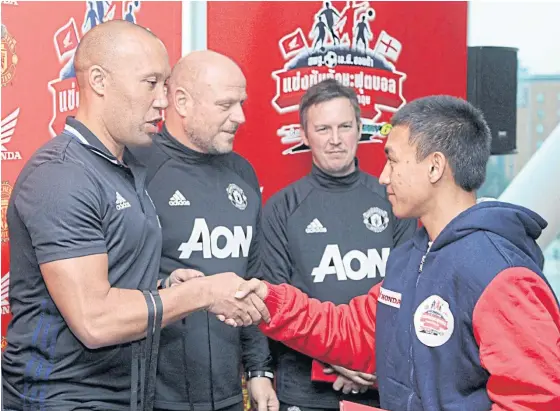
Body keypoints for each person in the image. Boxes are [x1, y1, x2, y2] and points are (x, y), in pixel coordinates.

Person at [1, 21, 269, 411]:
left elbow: (111, 280)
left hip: (127, 395)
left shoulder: (121, 169)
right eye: (151, 83)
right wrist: (202, 293)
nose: (163, 100)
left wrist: (164, 285)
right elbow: (95, 321)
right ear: (98, 80)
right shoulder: (61, 175)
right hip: (64, 399)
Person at [233, 95, 560, 411]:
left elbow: (536, 400)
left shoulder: (501, 274)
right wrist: (268, 300)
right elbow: (356, 332)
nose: (383, 176)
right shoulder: (411, 257)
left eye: (393, 160)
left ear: (434, 168)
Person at [130, 50, 279, 411]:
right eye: (226, 104)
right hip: (153, 397)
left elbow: (252, 279)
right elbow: (109, 289)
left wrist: (260, 370)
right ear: (181, 101)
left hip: (228, 395)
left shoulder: (243, 173)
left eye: (241, 103)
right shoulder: (135, 168)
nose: (240, 117)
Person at [260, 79, 417, 411]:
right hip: (307, 391)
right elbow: (273, 303)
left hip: (378, 385)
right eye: (322, 129)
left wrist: (365, 359)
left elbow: (407, 294)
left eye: (345, 126)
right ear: (304, 135)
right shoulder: (281, 208)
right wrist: (338, 356)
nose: (335, 140)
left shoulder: (396, 201)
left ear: (360, 128)